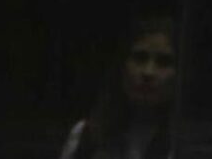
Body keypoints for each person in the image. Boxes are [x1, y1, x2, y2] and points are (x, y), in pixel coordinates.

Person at [62, 18, 178, 159]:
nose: (148, 72)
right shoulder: (87, 135)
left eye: (163, 62)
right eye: (140, 58)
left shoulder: (182, 143)